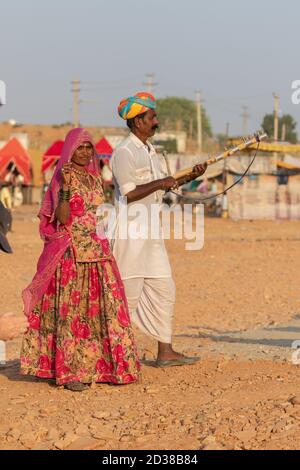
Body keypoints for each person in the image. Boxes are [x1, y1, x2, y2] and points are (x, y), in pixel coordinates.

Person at [20, 128, 140, 391]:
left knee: (102, 309)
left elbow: (98, 214)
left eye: (89, 148)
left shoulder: (95, 178)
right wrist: (65, 188)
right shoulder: (62, 177)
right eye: (80, 147)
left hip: (97, 250)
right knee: (71, 312)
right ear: (69, 150)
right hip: (71, 252)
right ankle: (69, 371)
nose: (85, 152)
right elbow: (62, 218)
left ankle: (104, 366)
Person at [111, 92, 207, 367]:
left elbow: (165, 184)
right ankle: (118, 356)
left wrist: (189, 177)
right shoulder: (124, 153)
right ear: (138, 120)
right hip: (130, 233)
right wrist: (162, 182)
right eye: (152, 117)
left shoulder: (151, 151)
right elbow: (129, 193)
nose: (156, 121)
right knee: (126, 295)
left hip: (152, 231)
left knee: (165, 288)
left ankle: (165, 351)